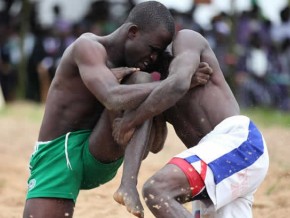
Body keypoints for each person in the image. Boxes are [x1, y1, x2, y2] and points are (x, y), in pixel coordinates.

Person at [23, 1, 176, 217]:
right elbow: (112, 98)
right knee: (141, 85)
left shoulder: (140, 69)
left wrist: (165, 92)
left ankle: (128, 184)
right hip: (59, 152)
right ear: (132, 32)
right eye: (153, 50)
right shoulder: (87, 47)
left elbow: (157, 146)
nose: (153, 58)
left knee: (141, 80)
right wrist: (175, 84)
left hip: (101, 151)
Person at [112, 29, 269, 218]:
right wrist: (151, 110)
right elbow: (155, 146)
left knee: (158, 190)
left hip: (236, 142)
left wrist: (130, 120)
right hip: (215, 163)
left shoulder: (186, 40)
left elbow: (178, 83)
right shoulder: (160, 93)